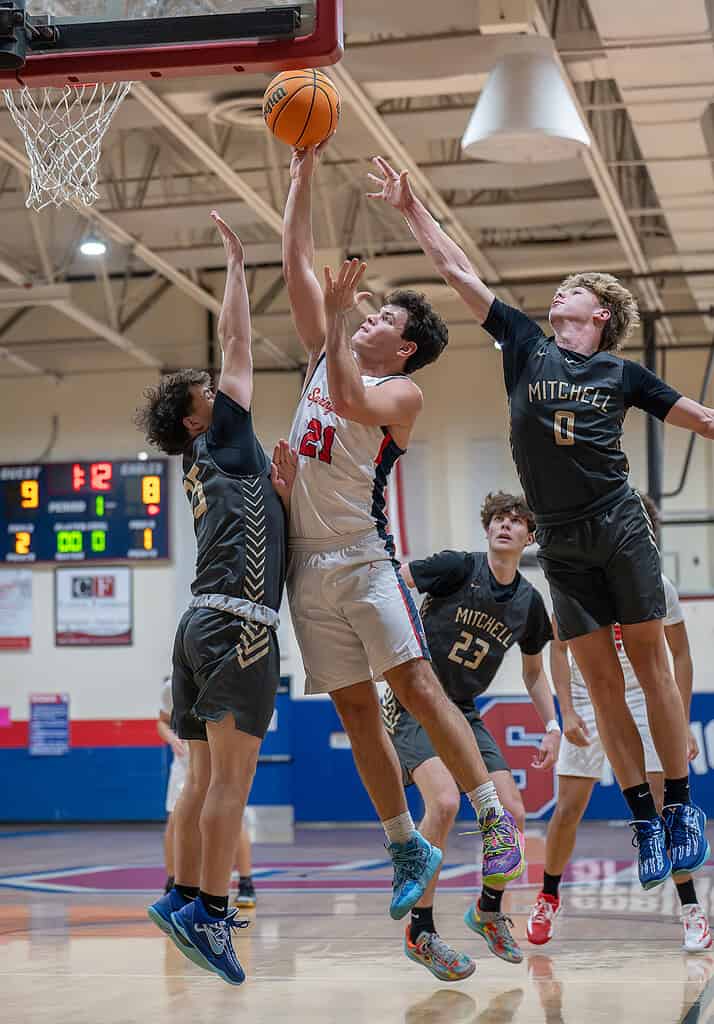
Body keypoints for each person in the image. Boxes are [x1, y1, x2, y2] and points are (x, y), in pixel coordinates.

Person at [367, 155, 710, 891]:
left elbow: (704, 420)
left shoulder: (623, 376)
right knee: (602, 685)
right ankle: (643, 818)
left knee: (649, 668)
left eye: (576, 290)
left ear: (600, 316)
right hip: (558, 539)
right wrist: (410, 210)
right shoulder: (525, 344)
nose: (563, 291)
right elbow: (458, 272)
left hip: (617, 524)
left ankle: (681, 808)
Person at [281, 144, 525, 925]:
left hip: (364, 558)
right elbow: (294, 262)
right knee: (354, 713)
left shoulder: (402, 393)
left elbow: (351, 405)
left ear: (404, 344)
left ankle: (491, 815)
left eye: (382, 316)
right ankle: (403, 844)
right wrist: (300, 177)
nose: (366, 316)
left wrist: (344, 309)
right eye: (369, 310)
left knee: (416, 688)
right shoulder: (329, 349)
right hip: (306, 570)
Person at [138, 211, 296, 986]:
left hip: (198, 628)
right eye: (210, 392)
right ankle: (207, 909)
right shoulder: (224, 438)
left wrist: (282, 496)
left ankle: (177, 896)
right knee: (229, 784)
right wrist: (236, 267)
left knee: (202, 781)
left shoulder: (210, 464)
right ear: (200, 415)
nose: (223, 386)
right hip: (239, 630)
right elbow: (235, 344)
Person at [385, 491, 558, 978]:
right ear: (488, 528)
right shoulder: (457, 567)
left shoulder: (529, 602)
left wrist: (551, 726)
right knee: (442, 803)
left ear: (530, 535)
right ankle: (421, 932)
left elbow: (533, 675)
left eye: (517, 520)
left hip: (461, 708)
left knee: (514, 813)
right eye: (499, 518)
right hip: (416, 698)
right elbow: (396, 581)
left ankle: (486, 909)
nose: (506, 525)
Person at [527, 498, 710, 952]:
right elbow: (559, 647)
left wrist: (680, 721)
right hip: (592, 697)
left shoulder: (656, 582)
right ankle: (548, 897)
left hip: (641, 693)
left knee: (667, 803)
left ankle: (691, 909)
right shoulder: (578, 581)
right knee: (567, 807)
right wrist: (566, 710)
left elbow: (682, 656)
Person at [158, 674, 188, 895]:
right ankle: (172, 880)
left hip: (216, 760)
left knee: (231, 820)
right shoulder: (173, 686)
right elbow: (162, 721)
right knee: (175, 819)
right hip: (185, 762)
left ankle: (245, 881)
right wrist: (172, 738)